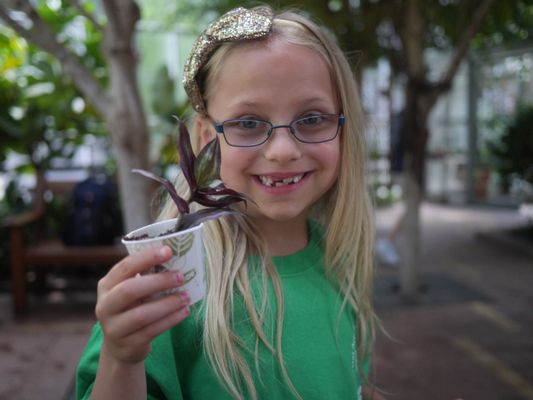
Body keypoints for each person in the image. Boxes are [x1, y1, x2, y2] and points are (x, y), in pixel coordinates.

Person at [76, 6, 382, 400]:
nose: (284, 151)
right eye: (248, 123)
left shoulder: (340, 257)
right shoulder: (170, 284)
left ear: (343, 128)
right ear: (206, 138)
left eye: (311, 119)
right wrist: (122, 358)